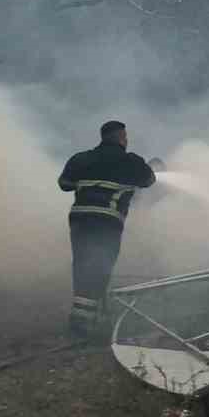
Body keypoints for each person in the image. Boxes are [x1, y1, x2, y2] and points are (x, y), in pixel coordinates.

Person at [58, 120, 156, 338]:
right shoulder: (130, 161)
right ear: (121, 137)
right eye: (126, 136)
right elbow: (149, 180)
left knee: (82, 263)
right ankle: (84, 324)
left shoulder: (80, 159)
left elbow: (64, 183)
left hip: (79, 219)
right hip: (107, 220)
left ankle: (84, 316)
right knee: (100, 265)